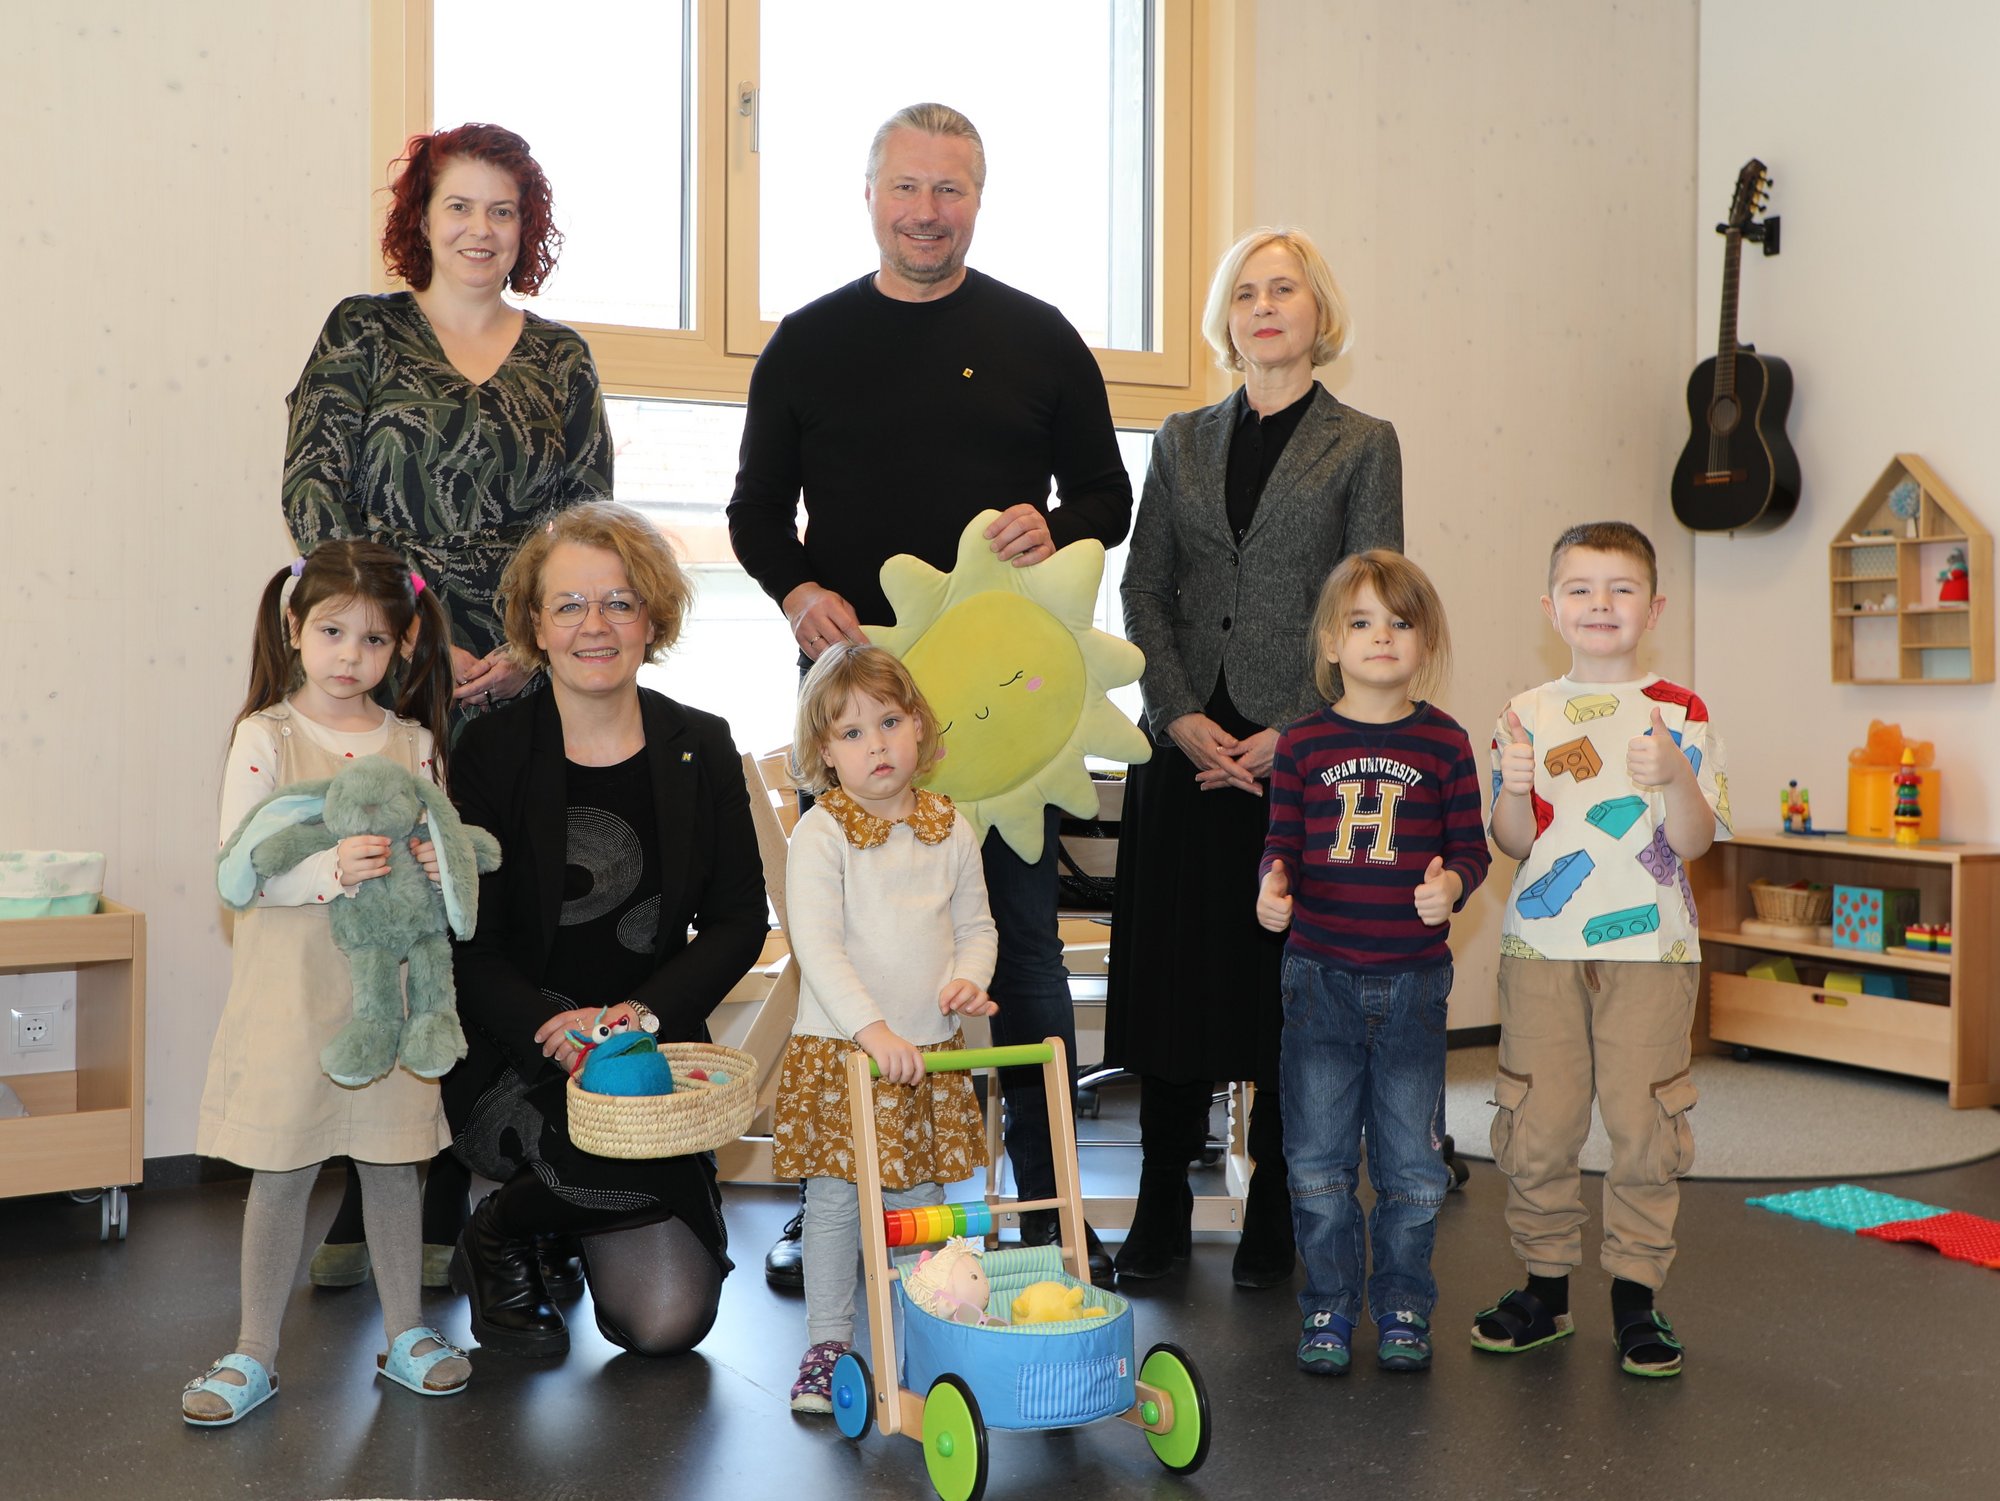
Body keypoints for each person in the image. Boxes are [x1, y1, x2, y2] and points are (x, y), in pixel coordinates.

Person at [726, 102, 1132, 1287]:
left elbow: (1108, 496)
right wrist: (797, 589)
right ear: (867, 195)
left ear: (977, 199)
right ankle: (834, 1199)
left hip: (1001, 728)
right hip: (855, 724)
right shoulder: (805, 342)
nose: (925, 211)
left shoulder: (1040, 337)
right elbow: (756, 516)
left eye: (948, 189)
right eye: (906, 187)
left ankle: (1044, 1202)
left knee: (1020, 965)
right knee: (837, 958)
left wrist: (1054, 523)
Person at [285, 121, 614, 1288]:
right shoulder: (362, 332)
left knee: (508, 920)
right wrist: (422, 631)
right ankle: (388, 1183)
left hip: (527, 681)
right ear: (419, 218)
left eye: (505, 212)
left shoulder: (563, 358)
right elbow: (316, 493)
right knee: (386, 916)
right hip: (386, 668)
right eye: (460, 207)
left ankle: (524, 1191)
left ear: (529, 229)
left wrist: (524, 642)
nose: (482, 231)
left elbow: (588, 526)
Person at [1106, 227, 1404, 1286]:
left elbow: (1371, 597)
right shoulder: (1179, 438)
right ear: (1223, 320)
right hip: (1184, 754)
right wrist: (1177, 711)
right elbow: (1142, 590)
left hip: (1303, 760)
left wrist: (1298, 729)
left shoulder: (1362, 442)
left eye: (1282, 289)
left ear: (1318, 312)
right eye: (1243, 292)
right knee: (1172, 987)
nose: (1262, 306)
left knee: (1293, 989)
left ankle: (1280, 1205)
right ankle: (1156, 1213)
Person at [444, 502, 767, 1359]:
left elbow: (739, 921)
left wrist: (643, 1016)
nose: (596, 625)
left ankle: (533, 1221)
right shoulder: (489, 752)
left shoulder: (703, 742)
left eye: (620, 602)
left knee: (664, 1324)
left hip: (647, 1061)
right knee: (585, 1163)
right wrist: (551, 1033)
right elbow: (465, 940)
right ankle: (508, 1223)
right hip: (520, 1053)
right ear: (534, 627)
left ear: (652, 618)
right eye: (570, 605)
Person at [183, 540, 465, 1425]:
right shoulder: (264, 735)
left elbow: (448, 865)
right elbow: (240, 867)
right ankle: (254, 1349)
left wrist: (430, 860)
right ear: (295, 628)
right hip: (293, 995)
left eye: (375, 640)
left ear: (405, 644)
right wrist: (330, 868)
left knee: (392, 1160)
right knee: (283, 1167)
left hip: (389, 996)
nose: (352, 656)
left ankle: (408, 1333)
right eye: (334, 631)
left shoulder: (413, 741)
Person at [1476, 521, 1729, 1379]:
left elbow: (1694, 841)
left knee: (1644, 1124)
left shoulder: (1684, 712)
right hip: (1539, 949)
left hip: (1653, 953)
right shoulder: (1525, 712)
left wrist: (1676, 776)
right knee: (1539, 1121)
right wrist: (1512, 790)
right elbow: (1512, 840)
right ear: (1551, 607)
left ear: (1653, 607)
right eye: (1580, 589)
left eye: (1621, 588)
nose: (1600, 604)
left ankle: (1635, 1295)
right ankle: (1544, 1288)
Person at [1255, 551, 1489, 1375]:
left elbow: (1472, 849)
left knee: (1413, 1168)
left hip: (1415, 983)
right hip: (1317, 979)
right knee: (1316, 1165)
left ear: (1425, 643)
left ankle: (1400, 1304)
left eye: (1399, 621)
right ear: (1330, 640)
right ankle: (1326, 1304)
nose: (1381, 636)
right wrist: (1270, 889)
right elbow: (1280, 844)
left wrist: (1453, 883)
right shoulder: (1304, 745)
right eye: (1361, 621)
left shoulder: (1446, 743)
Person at [773, 644, 999, 1412]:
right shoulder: (824, 834)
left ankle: (933, 1329)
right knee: (838, 1202)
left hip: (927, 1053)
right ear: (824, 754)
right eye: (851, 732)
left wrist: (971, 977)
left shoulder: (949, 827)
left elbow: (977, 924)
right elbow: (819, 946)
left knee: (925, 1198)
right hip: (846, 1053)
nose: (876, 744)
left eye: (890, 721)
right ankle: (828, 1345)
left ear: (921, 731)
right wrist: (873, 1032)